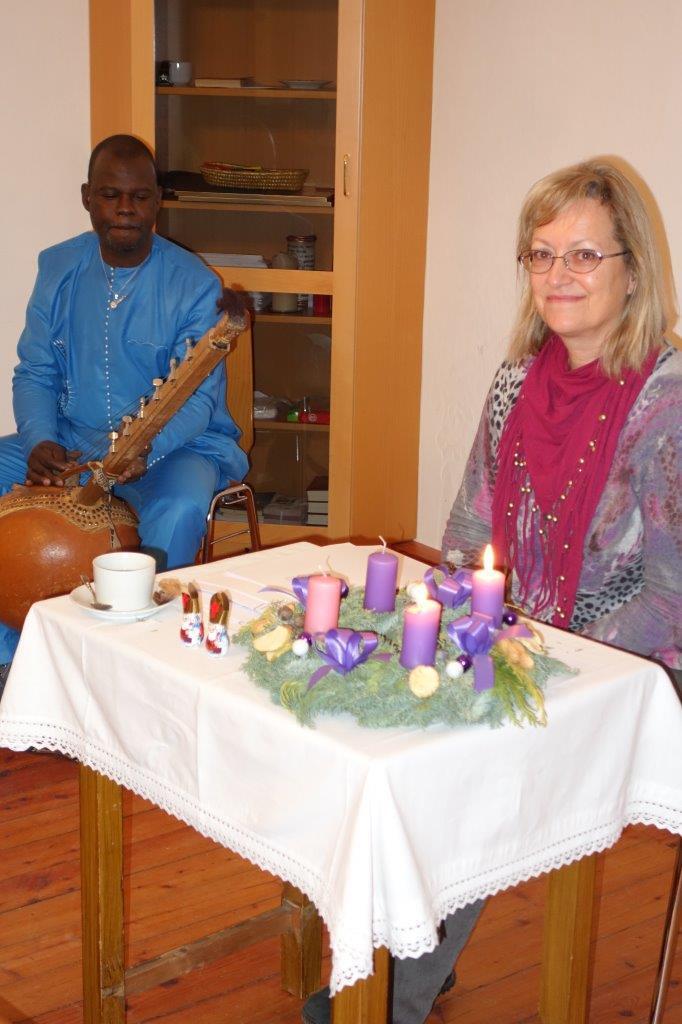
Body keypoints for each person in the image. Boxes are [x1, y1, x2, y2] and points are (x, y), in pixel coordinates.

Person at [302, 159, 681, 1024]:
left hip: (630, 665)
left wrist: (536, 656)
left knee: (464, 758)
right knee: (393, 720)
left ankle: (396, 992)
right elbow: (470, 525)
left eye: (584, 255)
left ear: (633, 271)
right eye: (541, 254)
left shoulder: (667, 405)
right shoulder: (518, 377)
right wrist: (443, 627)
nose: (558, 275)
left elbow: (672, 598)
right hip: (517, 632)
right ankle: (399, 956)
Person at [0, 134, 248, 676]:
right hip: (72, 438)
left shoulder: (194, 285)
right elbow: (36, 370)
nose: (125, 209)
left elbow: (197, 401)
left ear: (158, 201)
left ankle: (144, 661)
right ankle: (16, 654)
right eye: (111, 195)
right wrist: (40, 438)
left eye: (139, 196)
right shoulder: (58, 268)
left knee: (178, 508)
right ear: (87, 197)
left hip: (174, 449)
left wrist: (144, 449)